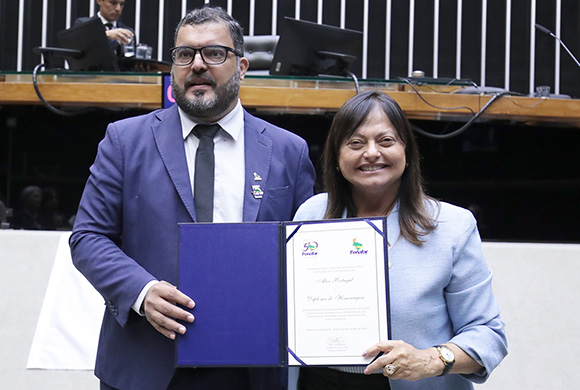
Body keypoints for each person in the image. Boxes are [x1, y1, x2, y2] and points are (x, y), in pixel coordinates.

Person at [70, 6, 316, 390]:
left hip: (252, 369)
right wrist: (142, 291)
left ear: (243, 65)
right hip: (145, 363)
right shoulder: (123, 141)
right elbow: (87, 238)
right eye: (185, 54)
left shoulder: (289, 151)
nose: (197, 65)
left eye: (214, 53)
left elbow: (307, 254)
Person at [293, 91, 507, 390]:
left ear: (407, 152)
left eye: (386, 141)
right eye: (355, 143)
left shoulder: (452, 226)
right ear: (337, 157)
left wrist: (430, 360)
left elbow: (487, 334)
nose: (371, 153)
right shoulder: (311, 214)